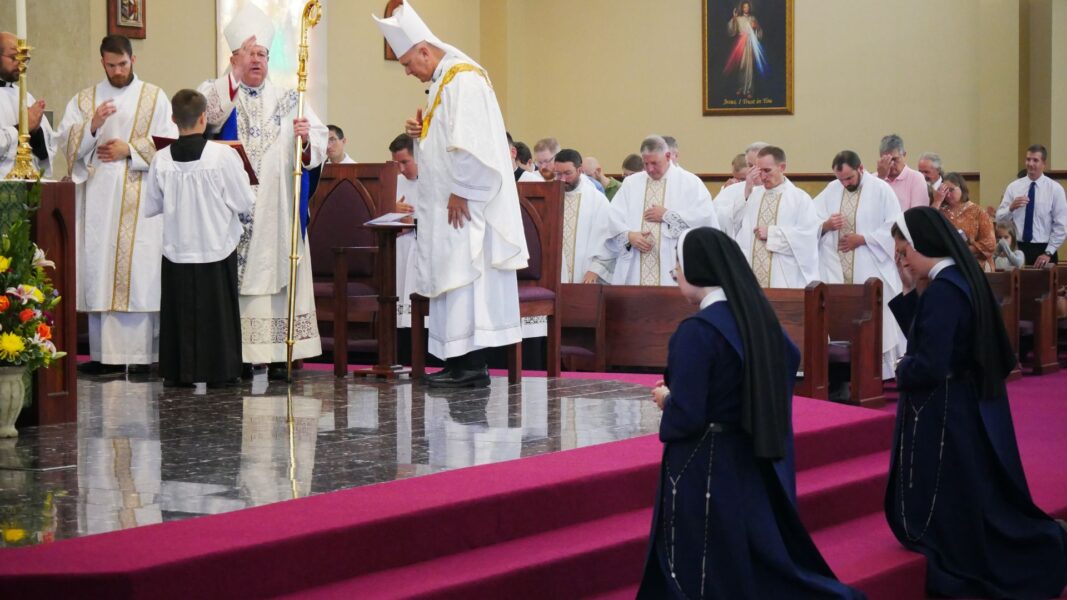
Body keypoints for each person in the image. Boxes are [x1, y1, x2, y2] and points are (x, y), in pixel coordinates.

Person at [638, 226, 863, 600]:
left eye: (678, 262)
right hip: (747, 453)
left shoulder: (696, 331)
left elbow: (688, 414)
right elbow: (787, 358)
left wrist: (667, 400)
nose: (675, 271)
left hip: (704, 460)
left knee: (705, 563)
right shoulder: (754, 317)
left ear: (697, 267)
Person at [887, 207, 1067, 598]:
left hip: (948, 406)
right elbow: (931, 335)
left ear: (924, 245)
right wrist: (907, 291)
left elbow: (931, 361)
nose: (903, 260)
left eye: (906, 253)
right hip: (964, 400)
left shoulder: (945, 289)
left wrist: (902, 369)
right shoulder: (953, 280)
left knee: (964, 494)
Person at [374, 1, 528, 388]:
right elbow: (448, 137)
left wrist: (462, 190)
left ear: (424, 50)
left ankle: (472, 366)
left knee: (465, 277)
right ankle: (458, 361)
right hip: (449, 203)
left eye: (409, 63)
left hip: (465, 203)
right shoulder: (444, 82)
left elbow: (474, 144)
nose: (408, 72)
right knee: (453, 276)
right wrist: (420, 130)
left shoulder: (464, 80)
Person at [198, 4, 327, 378]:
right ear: (234, 57)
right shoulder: (217, 90)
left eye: (262, 54)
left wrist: (306, 143)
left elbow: (318, 144)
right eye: (249, 53)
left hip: (277, 211)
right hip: (230, 214)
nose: (257, 60)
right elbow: (205, 117)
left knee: (278, 279)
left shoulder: (290, 99)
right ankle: (234, 355)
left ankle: (279, 356)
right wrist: (233, 79)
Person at [56, 34, 176, 375]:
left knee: (138, 273)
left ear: (133, 60)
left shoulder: (155, 97)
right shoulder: (85, 99)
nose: (118, 71)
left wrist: (131, 150)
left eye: (123, 64)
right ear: (102, 63)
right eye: (111, 65)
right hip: (99, 199)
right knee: (102, 267)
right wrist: (92, 126)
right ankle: (102, 355)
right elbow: (65, 142)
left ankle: (141, 357)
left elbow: (168, 144)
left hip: (140, 197)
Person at [143, 89, 253, 387]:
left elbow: (151, 205)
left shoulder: (161, 159)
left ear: (173, 120)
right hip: (216, 247)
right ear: (204, 118)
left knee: (180, 313)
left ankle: (180, 372)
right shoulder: (223, 156)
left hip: (177, 250)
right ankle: (221, 371)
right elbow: (243, 201)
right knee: (217, 314)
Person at [814, 150, 905, 378]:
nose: (844, 184)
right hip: (836, 268)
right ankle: (844, 372)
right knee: (840, 315)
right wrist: (825, 225)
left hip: (870, 264)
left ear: (860, 168)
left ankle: (880, 372)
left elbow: (894, 226)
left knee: (874, 313)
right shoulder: (832, 189)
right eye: (840, 179)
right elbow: (810, 218)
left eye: (849, 178)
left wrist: (863, 239)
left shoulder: (881, 189)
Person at [601, 135, 718, 286]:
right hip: (635, 267)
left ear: (668, 156)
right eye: (646, 163)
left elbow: (705, 218)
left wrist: (668, 215)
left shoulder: (690, 182)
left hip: (673, 266)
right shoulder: (631, 183)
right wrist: (629, 236)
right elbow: (613, 217)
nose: (650, 169)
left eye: (655, 163)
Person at [735, 145, 821, 288]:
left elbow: (808, 239)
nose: (762, 177)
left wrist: (772, 233)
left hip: (784, 279)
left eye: (767, 171)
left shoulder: (799, 199)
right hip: (752, 280)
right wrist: (747, 188)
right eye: (759, 171)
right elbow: (736, 229)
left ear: (782, 167)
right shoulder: (753, 196)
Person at [995, 144, 1066, 267]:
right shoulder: (1013, 187)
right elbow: (999, 219)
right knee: (1016, 286)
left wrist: (1048, 252)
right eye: (1028, 159)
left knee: (1044, 286)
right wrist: (1010, 208)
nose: (1030, 163)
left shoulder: (1055, 189)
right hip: (1017, 248)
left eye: (1035, 160)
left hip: (1044, 249)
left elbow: (1061, 226)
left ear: (1044, 163)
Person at [552, 149, 614, 284]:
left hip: (586, 275)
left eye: (568, 173)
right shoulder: (549, 197)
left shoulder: (597, 200)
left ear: (579, 171)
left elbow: (608, 239)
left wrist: (595, 270)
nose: (562, 179)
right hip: (552, 276)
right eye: (558, 174)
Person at [0, 31, 54, 176]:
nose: (21, 63)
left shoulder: (26, 97)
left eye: (24, 58)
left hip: (27, 185)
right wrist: (22, 128)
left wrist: (35, 132)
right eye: (14, 57)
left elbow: (46, 154)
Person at [931, 172, 995, 271]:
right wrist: (937, 201)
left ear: (962, 188)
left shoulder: (978, 211)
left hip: (973, 262)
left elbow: (990, 243)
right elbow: (928, 226)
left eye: (951, 190)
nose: (948, 194)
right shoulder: (941, 211)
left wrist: (961, 250)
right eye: (945, 191)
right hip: (945, 262)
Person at [389, 133, 418, 328]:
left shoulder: (435, 181)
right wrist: (389, 209)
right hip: (399, 249)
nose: (400, 169)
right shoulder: (393, 183)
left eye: (405, 162)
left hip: (424, 249)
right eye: (396, 164)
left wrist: (414, 222)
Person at [714, 141, 767, 239]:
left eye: (759, 166)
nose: (755, 171)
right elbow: (716, 220)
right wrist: (746, 193)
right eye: (751, 166)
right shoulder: (730, 190)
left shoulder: (791, 194)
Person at [725, 1, 767, 100]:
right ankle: (741, 87)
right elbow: (732, 30)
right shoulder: (739, 18)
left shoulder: (753, 18)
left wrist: (756, 27)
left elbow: (760, 33)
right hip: (740, 45)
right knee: (741, 66)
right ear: (742, 8)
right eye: (744, 7)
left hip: (750, 44)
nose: (746, 9)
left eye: (747, 7)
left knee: (749, 67)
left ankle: (749, 90)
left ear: (749, 8)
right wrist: (734, 19)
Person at [877, 134, 929, 211]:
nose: (891, 164)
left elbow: (918, 214)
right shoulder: (874, 179)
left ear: (904, 155)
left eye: (894, 159)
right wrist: (880, 178)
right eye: (887, 160)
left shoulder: (916, 178)